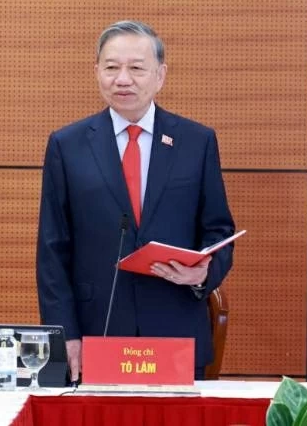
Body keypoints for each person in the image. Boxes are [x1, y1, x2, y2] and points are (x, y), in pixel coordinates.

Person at [36, 20, 235, 382]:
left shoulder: (196, 141)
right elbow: (52, 250)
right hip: (97, 330)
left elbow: (219, 231)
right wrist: (64, 333)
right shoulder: (67, 145)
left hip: (175, 329)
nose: (123, 79)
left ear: (160, 75)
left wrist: (204, 272)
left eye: (137, 68)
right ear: (96, 72)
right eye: (112, 67)